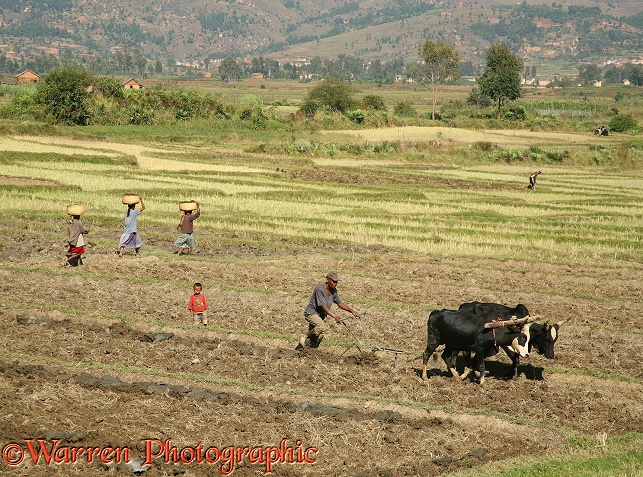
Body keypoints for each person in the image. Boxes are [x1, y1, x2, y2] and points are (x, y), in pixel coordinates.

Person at [296, 272, 359, 350]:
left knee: (317, 336)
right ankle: (304, 336)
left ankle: (308, 350)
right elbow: (324, 307)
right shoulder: (320, 289)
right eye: (333, 281)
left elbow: (339, 303)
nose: (335, 284)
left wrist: (351, 310)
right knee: (322, 327)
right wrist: (335, 317)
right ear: (327, 280)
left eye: (336, 282)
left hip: (320, 316)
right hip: (311, 313)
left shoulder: (333, 291)